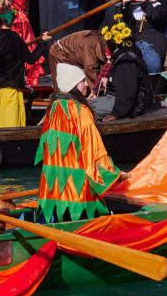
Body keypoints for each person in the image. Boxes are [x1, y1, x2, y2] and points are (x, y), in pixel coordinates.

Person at [35, 63, 121, 222]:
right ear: (72, 85)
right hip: (78, 194)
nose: (87, 86)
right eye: (82, 82)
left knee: (63, 224)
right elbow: (93, 150)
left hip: (56, 192)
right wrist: (114, 174)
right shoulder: (80, 111)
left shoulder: (53, 108)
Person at [0, 8, 47, 129]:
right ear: (12, 22)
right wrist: (42, 43)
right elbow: (31, 59)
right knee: (10, 129)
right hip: (9, 92)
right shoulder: (15, 39)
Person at [92, 12, 152, 121]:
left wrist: (116, 113)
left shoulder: (126, 59)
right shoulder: (123, 55)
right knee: (78, 104)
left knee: (81, 109)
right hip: (112, 98)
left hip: (122, 103)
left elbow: (128, 90)